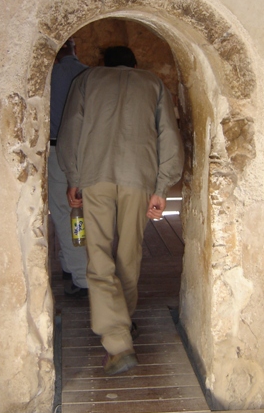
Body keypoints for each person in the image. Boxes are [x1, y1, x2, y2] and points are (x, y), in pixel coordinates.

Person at [56, 46, 184, 375]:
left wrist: (73, 177)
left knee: (98, 258)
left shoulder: (88, 79)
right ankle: (123, 325)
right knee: (130, 254)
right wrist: (162, 188)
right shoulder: (153, 84)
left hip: (95, 177)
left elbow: (71, 128)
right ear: (134, 64)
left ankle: (117, 342)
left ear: (105, 62)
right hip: (139, 179)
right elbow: (169, 136)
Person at [48, 38, 88, 296]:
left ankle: (81, 276)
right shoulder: (89, 74)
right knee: (78, 211)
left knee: (64, 212)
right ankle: (70, 264)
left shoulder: (49, 77)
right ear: (75, 48)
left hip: (55, 149)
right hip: (84, 152)